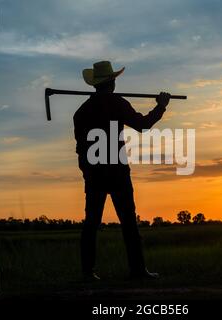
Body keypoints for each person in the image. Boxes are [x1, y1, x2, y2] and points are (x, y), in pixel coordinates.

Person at [73, 61, 171, 281]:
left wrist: (87, 172)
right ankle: (137, 271)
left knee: (91, 223)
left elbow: (81, 148)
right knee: (128, 223)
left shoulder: (81, 112)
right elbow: (143, 125)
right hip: (117, 172)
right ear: (112, 82)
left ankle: (87, 273)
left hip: (95, 174)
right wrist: (161, 106)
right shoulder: (117, 104)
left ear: (96, 84)